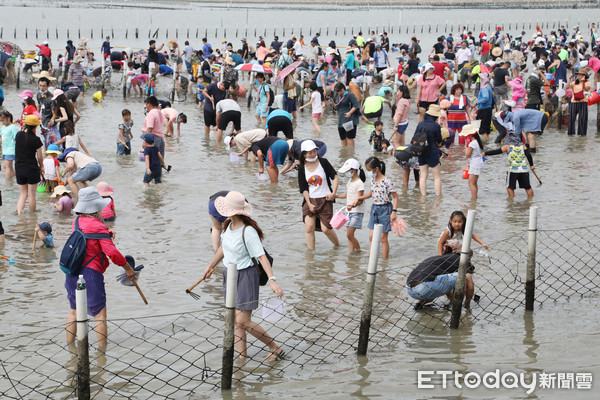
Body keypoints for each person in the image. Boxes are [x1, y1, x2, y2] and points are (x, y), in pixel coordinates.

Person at [201, 191, 284, 361]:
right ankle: (242, 357)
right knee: (234, 320)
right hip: (228, 274)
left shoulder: (248, 231)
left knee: (243, 321)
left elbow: (261, 257)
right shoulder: (227, 226)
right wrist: (210, 266)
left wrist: (272, 280)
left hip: (246, 276)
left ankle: (275, 347)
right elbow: (223, 249)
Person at [65, 187, 136, 348]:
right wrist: (128, 268)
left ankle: (70, 349)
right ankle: (102, 355)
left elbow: (86, 238)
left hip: (72, 272)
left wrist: (105, 233)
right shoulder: (98, 226)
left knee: (74, 311)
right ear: (95, 207)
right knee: (100, 315)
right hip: (90, 273)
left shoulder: (76, 222)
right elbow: (112, 253)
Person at [353, 157, 398, 260]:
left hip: (385, 209)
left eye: (369, 170)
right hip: (374, 209)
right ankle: (372, 258)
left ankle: (384, 262)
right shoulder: (373, 180)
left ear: (376, 169)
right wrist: (359, 197)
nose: (368, 173)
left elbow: (396, 197)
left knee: (383, 238)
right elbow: (371, 193)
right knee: (371, 237)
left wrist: (394, 212)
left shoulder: (387, 181)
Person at [297, 140, 339, 250]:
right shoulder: (302, 168)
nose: (313, 154)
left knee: (326, 229)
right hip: (310, 200)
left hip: (325, 199)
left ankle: (338, 246)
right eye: (310, 152)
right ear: (304, 154)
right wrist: (309, 203)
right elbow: (303, 188)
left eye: (314, 151)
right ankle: (311, 254)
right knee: (309, 228)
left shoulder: (323, 162)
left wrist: (333, 193)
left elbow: (334, 176)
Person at [406, 253, 474, 310]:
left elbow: (444, 283)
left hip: (410, 289)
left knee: (434, 279)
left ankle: (419, 304)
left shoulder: (442, 259)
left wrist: (451, 299)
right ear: (469, 258)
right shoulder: (462, 260)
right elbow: (470, 287)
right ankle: (458, 307)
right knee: (465, 276)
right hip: (425, 289)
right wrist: (467, 305)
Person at [15, 115, 44, 216]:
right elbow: (40, 157)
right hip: (32, 168)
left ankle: (19, 214)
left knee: (23, 194)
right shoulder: (36, 139)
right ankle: (32, 218)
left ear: (26, 125)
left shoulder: (18, 135)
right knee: (32, 195)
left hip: (19, 168)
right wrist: (42, 167)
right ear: (35, 127)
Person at [336, 159, 366, 253]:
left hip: (357, 211)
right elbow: (347, 195)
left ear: (354, 170)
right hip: (349, 211)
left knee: (349, 235)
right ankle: (351, 252)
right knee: (349, 235)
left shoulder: (359, 183)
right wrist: (334, 196)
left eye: (347, 171)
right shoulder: (350, 181)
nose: (346, 173)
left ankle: (358, 251)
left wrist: (352, 206)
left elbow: (360, 199)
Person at [413, 104, 443, 196]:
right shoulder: (436, 126)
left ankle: (423, 196)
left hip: (421, 151)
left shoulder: (420, 124)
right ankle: (438, 197)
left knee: (423, 176)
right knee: (437, 177)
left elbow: (415, 137)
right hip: (432, 152)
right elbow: (439, 140)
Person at [458, 125, 484, 200]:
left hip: (475, 164)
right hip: (477, 163)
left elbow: (467, 155)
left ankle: (473, 199)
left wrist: (467, 145)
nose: (464, 137)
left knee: (471, 183)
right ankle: (475, 197)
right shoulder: (476, 141)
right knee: (474, 183)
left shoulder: (472, 143)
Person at [333, 82, 360, 148]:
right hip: (341, 120)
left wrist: (350, 113)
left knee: (349, 138)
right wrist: (333, 105)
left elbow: (356, 105)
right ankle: (344, 153)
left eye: (339, 91)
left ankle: (351, 153)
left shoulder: (350, 95)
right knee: (342, 138)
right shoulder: (339, 97)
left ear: (342, 89)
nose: (338, 92)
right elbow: (337, 107)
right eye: (336, 91)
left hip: (349, 120)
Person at [567, 67, 592, 136]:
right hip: (574, 102)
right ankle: (570, 133)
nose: (579, 76)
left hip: (583, 102)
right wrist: (569, 79)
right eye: (578, 75)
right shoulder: (574, 82)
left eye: (581, 75)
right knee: (572, 118)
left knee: (583, 119)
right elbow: (567, 87)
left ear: (584, 76)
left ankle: (582, 134)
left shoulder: (587, 83)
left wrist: (583, 81)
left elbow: (586, 89)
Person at [474, 72, 494, 138]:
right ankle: (487, 142)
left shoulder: (484, 88)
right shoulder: (489, 86)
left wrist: (478, 102)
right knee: (486, 127)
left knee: (482, 128)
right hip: (489, 108)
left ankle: (484, 143)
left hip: (484, 109)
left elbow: (485, 98)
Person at [0, 110, 17, 181]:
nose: (2, 122)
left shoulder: (13, 127)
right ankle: (13, 180)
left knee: (6, 166)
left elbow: (16, 138)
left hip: (11, 149)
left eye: (3, 120)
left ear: (8, 118)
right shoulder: (3, 128)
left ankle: (8, 183)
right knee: (10, 167)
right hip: (5, 149)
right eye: (1, 121)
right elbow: (1, 137)